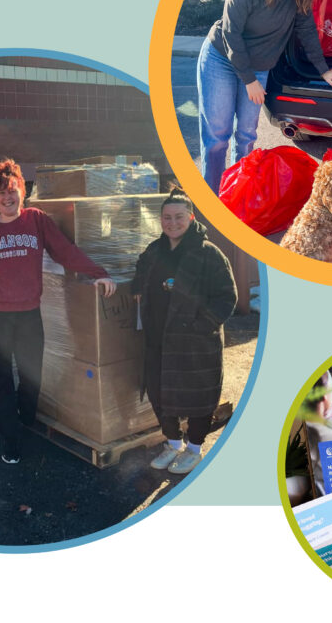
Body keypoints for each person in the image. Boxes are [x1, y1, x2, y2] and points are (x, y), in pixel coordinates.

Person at [0, 159, 116, 465]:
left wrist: (99, 273)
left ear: (22, 190)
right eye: (2, 193)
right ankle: (10, 440)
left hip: (28, 314)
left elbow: (65, 252)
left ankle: (25, 421)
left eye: (12, 190)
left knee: (32, 376)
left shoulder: (36, 220)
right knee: (2, 378)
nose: (7, 197)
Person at [197, 0, 332, 194]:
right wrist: (249, 80)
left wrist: (324, 70)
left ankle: (237, 195)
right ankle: (210, 198)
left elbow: (307, 32)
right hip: (221, 59)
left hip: (258, 65)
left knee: (246, 136)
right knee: (217, 136)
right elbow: (231, 34)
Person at [131, 188, 237, 475]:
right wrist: (138, 287)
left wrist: (201, 327)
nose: (172, 223)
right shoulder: (155, 250)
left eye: (179, 217)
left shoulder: (208, 253)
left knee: (198, 398)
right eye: (167, 217)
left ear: (191, 218)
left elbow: (227, 297)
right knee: (160, 393)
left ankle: (194, 449)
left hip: (195, 342)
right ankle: (173, 443)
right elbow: (141, 268)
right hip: (158, 339)